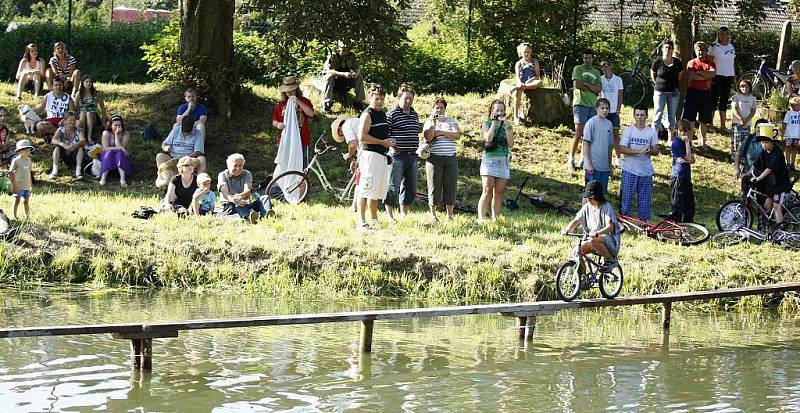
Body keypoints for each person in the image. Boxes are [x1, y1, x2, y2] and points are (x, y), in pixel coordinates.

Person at [561, 180, 622, 272]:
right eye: (588, 198)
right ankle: (582, 277)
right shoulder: (587, 207)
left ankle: (611, 260)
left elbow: (610, 227)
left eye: (591, 198)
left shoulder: (606, 207)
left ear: (597, 197)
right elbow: (576, 220)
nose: (588, 200)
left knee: (594, 240)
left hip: (610, 242)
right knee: (577, 252)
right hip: (592, 239)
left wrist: (596, 233)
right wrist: (567, 229)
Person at [356, 84, 394, 230]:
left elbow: (382, 135)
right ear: (370, 98)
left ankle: (374, 219)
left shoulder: (383, 114)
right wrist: (382, 142)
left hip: (382, 155)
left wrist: (389, 141)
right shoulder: (367, 114)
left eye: (382, 99)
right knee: (366, 188)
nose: (379, 101)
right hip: (370, 155)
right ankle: (361, 221)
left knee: (375, 190)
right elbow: (362, 137)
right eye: (377, 98)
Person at [384, 83, 420, 222]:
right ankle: (389, 214)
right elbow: (385, 134)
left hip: (412, 155)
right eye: (405, 98)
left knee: (410, 186)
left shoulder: (415, 114)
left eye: (410, 98)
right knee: (393, 185)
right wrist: (391, 147)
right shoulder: (392, 114)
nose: (408, 101)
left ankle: (404, 214)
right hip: (397, 155)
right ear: (399, 98)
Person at [617, 106, 659, 221]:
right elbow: (622, 148)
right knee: (626, 197)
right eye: (637, 115)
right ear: (634, 116)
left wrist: (650, 150)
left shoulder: (651, 131)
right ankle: (625, 221)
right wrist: (637, 151)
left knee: (645, 199)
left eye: (642, 115)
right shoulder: (629, 130)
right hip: (629, 170)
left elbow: (656, 150)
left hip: (646, 171)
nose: (640, 118)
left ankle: (643, 223)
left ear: (646, 116)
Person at [422, 97, 461, 222]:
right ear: (433, 109)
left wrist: (441, 132)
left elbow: (457, 135)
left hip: (450, 158)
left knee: (450, 186)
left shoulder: (451, 121)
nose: (439, 110)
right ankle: (433, 214)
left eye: (441, 108)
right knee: (434, 185)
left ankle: (449, 214)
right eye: (437, 107)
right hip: (434, 158)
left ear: (445, 109)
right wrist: (434, 126)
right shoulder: (429, 121)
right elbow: (428, 136)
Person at [478, 99, 514, 221]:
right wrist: (494, 123)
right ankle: (481, 218)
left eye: (502, 110)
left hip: (503, 161)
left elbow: (510, 144)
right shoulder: (486, 123)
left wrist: (508, 127)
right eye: (497, 110)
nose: (499, 112)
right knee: (487, 190)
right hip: (489, 161)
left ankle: (496, 219)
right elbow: (488, 138)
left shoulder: (507, 125)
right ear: (492, 111)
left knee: (499, 192)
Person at [567, 49, 602, 171]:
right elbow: (578, 85)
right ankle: (570, 159)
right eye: (585, 58)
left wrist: (587, 85)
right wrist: (590, 87)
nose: (587, 60)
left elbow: (598, 89)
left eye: (589, 58)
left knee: (588, 134)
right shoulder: (578, 69)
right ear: (583, 58)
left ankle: (583, 159)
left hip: (592, 105)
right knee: (578, 132)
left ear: (593, 58)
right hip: (580, 104)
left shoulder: (597, 72)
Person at [272, 75, 315, 167]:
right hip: (287, 138)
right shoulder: (281, 104)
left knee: (302, 163)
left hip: (302, 138)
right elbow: (274, 120)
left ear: (296, 90)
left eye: (292, 90)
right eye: (288, 91)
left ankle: (302, 180)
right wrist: (278, 124)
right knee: (287, 163)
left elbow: (311, 114)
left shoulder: (304, 101)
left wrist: (298, 102)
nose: (290, 93)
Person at [217, 153, 271, 223]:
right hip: (230, 204)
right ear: (228, 166)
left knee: (265, 198)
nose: (238, 168)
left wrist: (240, 196)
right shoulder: (222, 175)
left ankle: (267, 216)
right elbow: (225, 193)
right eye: (235, 165)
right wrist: (235, 200)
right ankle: (249, 217)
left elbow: (247, 192)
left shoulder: (247, 174)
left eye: (240, 165)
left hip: (245, 203)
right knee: (237, 205)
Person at [682, 41, 716, 150]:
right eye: (698, 50)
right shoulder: (691, 63)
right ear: (695, 51)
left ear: (706, 51)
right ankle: (690, 141)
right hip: (692, 92)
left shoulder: (710, 63)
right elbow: (692, 76)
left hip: (705, 93)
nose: (701, 52)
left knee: (704, 119)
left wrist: (699, 73)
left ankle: (703, 142)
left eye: (703, 50)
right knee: (690, 119)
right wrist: (704, 75)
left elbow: (712, 74)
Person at [156, 116, 207, 188]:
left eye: (188, 131)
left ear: (192, 126)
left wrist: (186, 158)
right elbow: (164, 144)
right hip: (173, 158)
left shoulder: (197, 133)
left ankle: (199, 183)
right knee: (160, 156)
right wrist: (166, 148)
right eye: (184, 131)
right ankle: (163, 180)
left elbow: (199, 151)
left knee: (202, 159)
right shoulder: (175, 130)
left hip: (190, 159)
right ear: (181, 125)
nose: (186, 133)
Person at [752, 135, 791, 229]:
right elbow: (755, 164)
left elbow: (770, 168)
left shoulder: (777, 152)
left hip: (780, 184)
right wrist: (748, 173)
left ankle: (781, 232)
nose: (764, 145)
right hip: (772, 184)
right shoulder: (763, 152)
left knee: (776, 206)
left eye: (766, 142)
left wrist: (759, 177)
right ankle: (768, 227)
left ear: (772, 142)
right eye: (762, 143)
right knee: (766, 207)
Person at [651, 39, 683, 144]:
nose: (668, 50)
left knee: (671, 115)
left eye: (670, 48)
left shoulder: (677, 62)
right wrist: (660, 85)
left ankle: (671, 139)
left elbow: (679, 76)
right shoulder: (657, 62)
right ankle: (654, 139)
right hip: (660, 92)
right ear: (662, 49)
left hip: (673, 93)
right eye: (666, 48)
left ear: (673, 50)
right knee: (657, 113)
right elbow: (653, 75)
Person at [322, 40, 366, 113]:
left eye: (347, 48)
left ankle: (359, 102)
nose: (345, 50)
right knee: (329, 77)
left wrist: (356, 73)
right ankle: (326, 104)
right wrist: (343, 74)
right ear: (339, 47)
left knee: (359, 77)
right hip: (335, 81)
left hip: (346, 81)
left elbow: (357, 68)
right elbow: (328, 71)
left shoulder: (351, 56)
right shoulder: (333, 56)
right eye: (343, 48)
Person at [582, 98, 614, 194]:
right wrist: (588, 164)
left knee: (601, 194)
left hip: (604, 168)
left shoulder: (609, 124)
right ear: (596, 109)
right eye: (602, 108)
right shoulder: (591, 122)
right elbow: (586, 143)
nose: (605, 110)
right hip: (593, 167)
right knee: (590, 195)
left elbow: (609, 147)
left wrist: (609, 165)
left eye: (607, 108)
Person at [708, 27, 736, 132]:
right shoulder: (713, 46)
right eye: (721, 34)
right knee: (713, 100)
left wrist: (734, 77)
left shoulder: (731, 47)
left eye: (725, 34)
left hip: (728, 76)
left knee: (724, 100)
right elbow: (709, 63)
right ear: (718, 35)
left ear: (728, 35)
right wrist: (710, 76)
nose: (723, 36)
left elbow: (732, 63)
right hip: (717, 76)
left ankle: (723, 125)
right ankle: (710, 124)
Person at [331, 115, 362, 210]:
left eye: (341, 134)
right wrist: (356, 159)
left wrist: (349, 155)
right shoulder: (354, 121)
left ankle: (355, 206)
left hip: (368, 152)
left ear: (339, 129)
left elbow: (353, 144)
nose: (343, 136)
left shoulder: (346, 126)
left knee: (359, 181)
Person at [668, 120, 696, 222]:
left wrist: (687, 159)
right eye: (680, 131)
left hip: (686, 176)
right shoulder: (676, 143)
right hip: (678, 176)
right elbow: (688, 157)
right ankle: (675, 226)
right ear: (677, 130)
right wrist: (687, 142)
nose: (683, 133)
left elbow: (692, 160)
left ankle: (688, 225)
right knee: (677, 204)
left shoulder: (686, 142)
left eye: (685, 131)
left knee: (689, 205)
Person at [734, 118, 766, 201]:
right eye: (757, 127)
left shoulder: (768, 143)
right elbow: (738, 154)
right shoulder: (749, 140)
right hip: (747, 176)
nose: (759, 130)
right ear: (754, 128)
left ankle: (761, 214)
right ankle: (745, 213)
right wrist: (737, 170)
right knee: (745, 199)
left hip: (763, 177)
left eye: (762, 128)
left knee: (761, 201)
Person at [599, 60, 624, 166]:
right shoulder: (600, 79)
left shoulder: (618, 79)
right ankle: (603, 157)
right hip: (604, 111)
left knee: (615, 135)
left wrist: (618, 109)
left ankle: (618, 158)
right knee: (603, 136)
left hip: (614, 111)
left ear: (611, 66)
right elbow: (599, 95)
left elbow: (620, 95)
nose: (604, 67)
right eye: (602, 66)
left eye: (606, 65)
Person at [49, 111, 86, 180]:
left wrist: (75, 145)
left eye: (74, 120)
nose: (72, 122)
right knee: (57, 148)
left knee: (80, 149)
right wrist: (63, 145)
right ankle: (54, 171)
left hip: (74, 154)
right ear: (65, 121)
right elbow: (53, 140)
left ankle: (78, 171)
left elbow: (83, 140)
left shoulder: (78, 130)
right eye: (70, 120)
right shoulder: (61, 130)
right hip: (63, 154)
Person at [510, 42, 541, 125]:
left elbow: (537, 76)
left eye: (528, 51)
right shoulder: (519, 63)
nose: (526, 53)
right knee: (518, 93)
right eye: (524, 52)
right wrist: (520, 83)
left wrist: (530, 81)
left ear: (531, 52)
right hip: (522, 82)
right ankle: (516, 116)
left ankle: (522, 86)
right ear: (521, 53)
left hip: (531, 82)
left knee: (539, 82)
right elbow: (517, 76)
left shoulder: (535, 61)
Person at [72, 75, 108, 143]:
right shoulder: (79, 94)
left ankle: (89, 137)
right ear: (82, 83)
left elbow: (103, 108)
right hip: (82, 116)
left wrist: (104, 121)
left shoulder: (95, 94)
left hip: (93, 115)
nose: (88, 84)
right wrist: (75, 118)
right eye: (86, 82)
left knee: (88, 113)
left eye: (90, 82)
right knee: (82, 113)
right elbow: (74, 107)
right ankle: (82, 137)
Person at [99, 115, 132, 187]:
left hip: (122, 157)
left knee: (120, 153)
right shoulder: (106, 133)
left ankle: (122, 179)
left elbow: (122, 149)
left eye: (119, 125)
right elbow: (105, 148)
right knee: (109, 152)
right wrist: (119, 148)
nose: (117, 127)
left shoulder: (126, 134)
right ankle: (103, 178)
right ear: (111, 125)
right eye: (115, 125)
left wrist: (116, 135)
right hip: (108, 156)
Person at [731, 79, 758, 163]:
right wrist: (740, 119)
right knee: (736, 141)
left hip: (747, 123)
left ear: (749, 87)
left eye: (746, 86)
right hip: (737, 123)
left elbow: (753, 111)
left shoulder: (752, 98)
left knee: (745, 141)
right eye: (742, 86)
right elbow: (734, 109)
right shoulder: (736, 97)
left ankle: (742, 158)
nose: (744, 88)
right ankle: (734, 158)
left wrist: (746, 120)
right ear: (739, 87)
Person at [9, 140, 34, 220]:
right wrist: (13, 184)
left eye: (29, 150)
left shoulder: (29, 161)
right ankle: (14, 216)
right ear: (20, 151)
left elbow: (29, 173)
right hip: (18, 185)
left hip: (26, 185)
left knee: (26, 201)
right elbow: (11, 172)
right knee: (17, 200)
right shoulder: (16, 161)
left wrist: (30, 185)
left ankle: (27, 216)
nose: (27, 152)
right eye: (25, 150)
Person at [782, 96, 800, 169]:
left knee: (795, 148)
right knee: (788, 148)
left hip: (797, 135)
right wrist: (783, 131)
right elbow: (784, 123)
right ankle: (788, 163)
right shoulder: (789, 113)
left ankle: (792, 163)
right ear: (795, 105)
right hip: (789, 135)